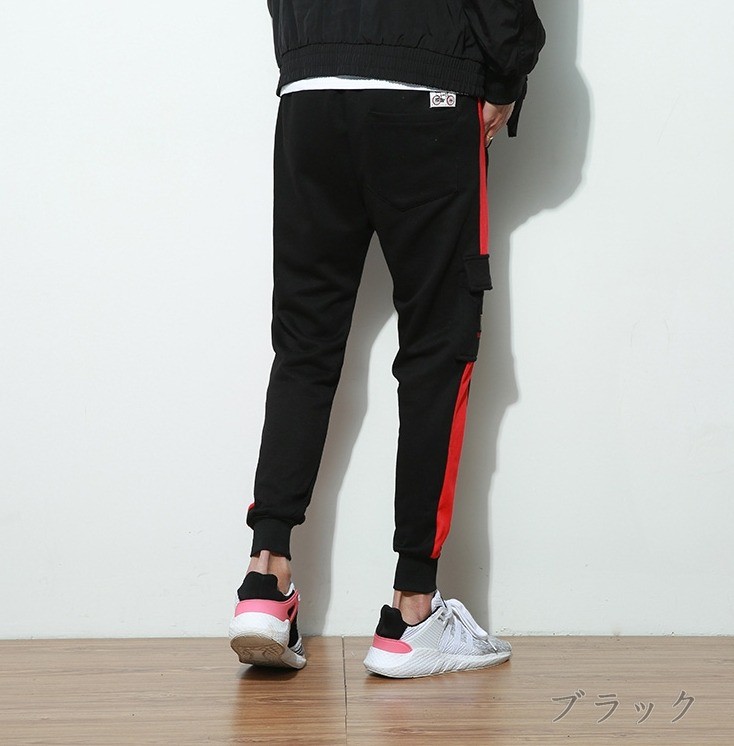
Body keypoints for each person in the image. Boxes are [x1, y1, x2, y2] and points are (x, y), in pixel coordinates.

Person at [228, 0, 545, 678]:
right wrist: (505, 75)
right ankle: (412, 613)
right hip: (425, 89)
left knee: (305, 342)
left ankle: (265, 579)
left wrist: (310, 52)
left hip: (311, 92)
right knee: (438, 348)